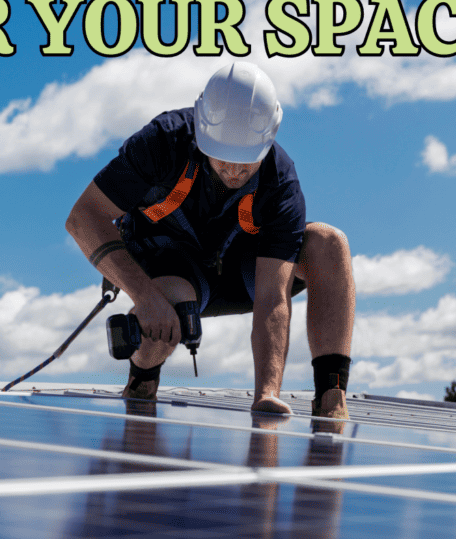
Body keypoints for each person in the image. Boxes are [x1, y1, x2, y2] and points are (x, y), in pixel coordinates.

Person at [66, 63, 355, 418]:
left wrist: (267, 393)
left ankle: (332, 397)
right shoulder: (163, 142)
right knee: (172, 298)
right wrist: (144, 295)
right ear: (202, 131)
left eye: (245, 161)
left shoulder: (280, 181)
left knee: (329, 242)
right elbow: (83, 217)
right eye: (224, 157)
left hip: (243, 273)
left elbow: (272, 298)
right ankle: (143, 380)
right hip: (171, 264)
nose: (234, 170)